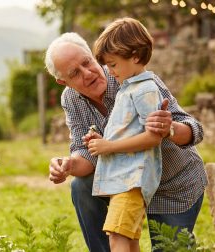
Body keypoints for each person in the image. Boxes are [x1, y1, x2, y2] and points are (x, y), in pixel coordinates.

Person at [44, 30, 207, 251]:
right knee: (81, 186)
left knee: (171, 248)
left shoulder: (134, 76)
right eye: (75, 73)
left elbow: (194, 129)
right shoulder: (71, 99)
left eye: (87, 62)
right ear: (63, 81)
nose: (88, 73)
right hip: (125, 184)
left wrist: (170, 128)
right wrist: (69, 165)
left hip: (172, 183)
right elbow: (85, 151)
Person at [86, 17, 163, 252]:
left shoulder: (145, 90)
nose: (109, 71)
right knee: (127, 239)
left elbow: (154, 137)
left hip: (133, 180)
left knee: (117, 237)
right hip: (123, 180)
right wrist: (100, 140)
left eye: (113, 64)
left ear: (136, 56)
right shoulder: (128, 88)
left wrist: (108, 147)